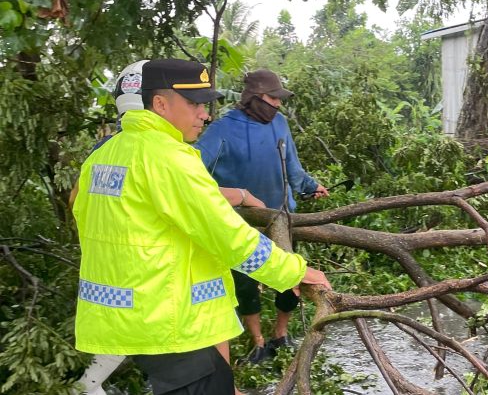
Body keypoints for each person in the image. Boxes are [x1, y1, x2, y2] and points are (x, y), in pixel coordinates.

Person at [72, 59, 330, 395]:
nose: (204, 114)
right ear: (160, 104)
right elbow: (228, 236)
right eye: (193, 104)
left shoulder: (105, 155)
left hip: (124, 313)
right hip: (168, 320)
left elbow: (87, 218)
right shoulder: (169, 158)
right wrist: (294, 271)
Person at [195, 69, 328, 364]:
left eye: (279, 99)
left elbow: (292, 166)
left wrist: (309, 186)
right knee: (243, 280)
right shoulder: (222, 130)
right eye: (272, 98)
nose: (277, 105)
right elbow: (192, 173)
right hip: (239, 222)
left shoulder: (279, 123)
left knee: (291, 275)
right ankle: (257, 340)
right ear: (253, 98)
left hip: (280, 215)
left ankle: (280, 333)